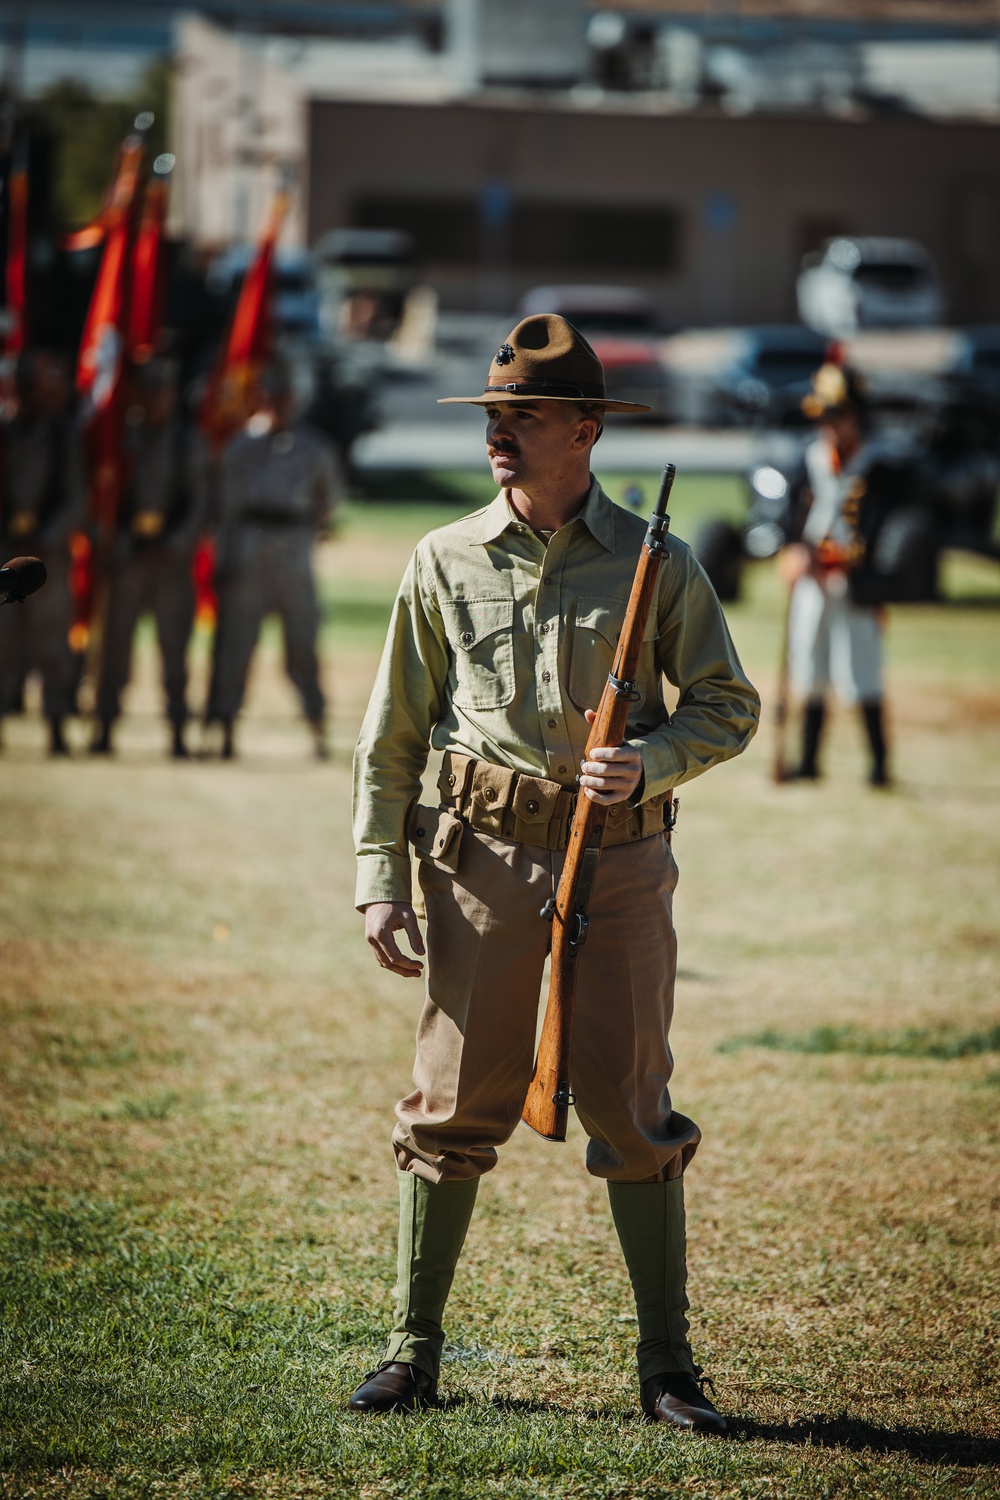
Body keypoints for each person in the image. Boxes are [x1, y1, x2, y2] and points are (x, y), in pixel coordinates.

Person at [349, 315, 760, 1433]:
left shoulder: (656, 562)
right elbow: (392, 734)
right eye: (491, 416)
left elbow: (730, 706)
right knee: (449, 1111)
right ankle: (409, 1353)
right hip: (476, 859)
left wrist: (652, 762)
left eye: (522, 418)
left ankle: (667, 1370)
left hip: (620, 862)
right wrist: (378, 873)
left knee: (632, 1112)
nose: (499, 435)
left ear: (585, 430)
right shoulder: (441, 558)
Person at [778, 359, 913, 786]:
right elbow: (789, 518)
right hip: (813, 583)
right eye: (826, 417)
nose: (830, 426)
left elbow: (887, 536)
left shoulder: (882, 470)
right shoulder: (810, 460)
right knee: (810, 669)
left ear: (856, 417)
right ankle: (809, 761)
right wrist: (794, 551)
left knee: (862, 672)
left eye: (838, 416)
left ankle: (878, 766)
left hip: (856, 585)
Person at [205, 355, 340, 760]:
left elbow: (328, 503)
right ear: (260, 396)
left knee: (302, 646)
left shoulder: (315, 448)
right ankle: (225, 729)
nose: (279, 402)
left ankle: (317, 727)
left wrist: (307, 534)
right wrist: (223, 562)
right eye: (272, 393)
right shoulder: (241, 447)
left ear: (295, 398)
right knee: (236, 646)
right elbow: (225, 512)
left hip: (293, 555)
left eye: (286, 395)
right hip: (247, 554)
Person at [91, 358, 208, 758]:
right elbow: (103, 498)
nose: (156, 398)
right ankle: (104, 725)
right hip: (128, 559)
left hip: (170, 564)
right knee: (113, 649)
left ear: (173, 395)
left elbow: (200, 503)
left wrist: (174, 542)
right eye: (149, 389)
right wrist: (119, 541)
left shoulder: (188, 441)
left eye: (163, 390)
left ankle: (177, 730)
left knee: (174, 650)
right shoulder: (122, 440)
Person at [0, 349, 85, 756]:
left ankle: (55, 724)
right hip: (3, 552)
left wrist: (46, 534)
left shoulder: (61, 435)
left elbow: (75, 496)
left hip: (44, 558)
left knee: (51, 643)